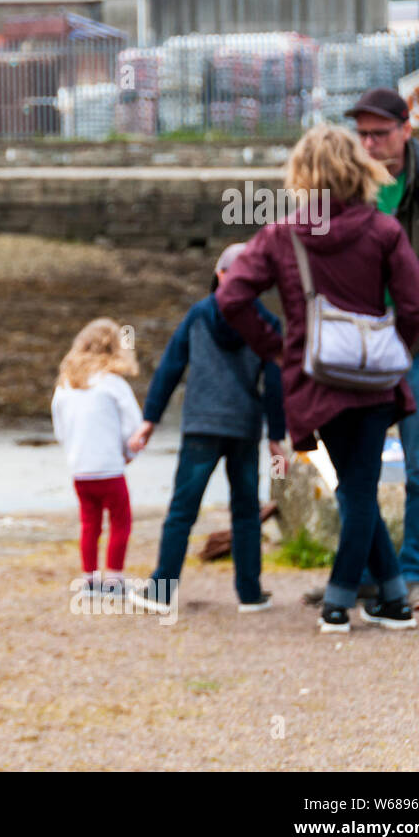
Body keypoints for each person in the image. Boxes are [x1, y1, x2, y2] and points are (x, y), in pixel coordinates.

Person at [217, 124, 419, 634]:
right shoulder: (384, 231)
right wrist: (391, 346)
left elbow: (231, 299)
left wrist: (278, 348)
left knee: (354, 488)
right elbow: (418, 307)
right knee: (359, 488)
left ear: (303, 176)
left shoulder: (282, 234)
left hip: (317, 383)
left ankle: (338, 600)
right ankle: (395, 598)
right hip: (376, 382)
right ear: (359, 169)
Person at [298, 89, 419, 612]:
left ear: (407, 130)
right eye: (363, 134)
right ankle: (365, 574)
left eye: (380, 133)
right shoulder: (350, 186)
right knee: (349, 465)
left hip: (415, 347)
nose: (370, 143)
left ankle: (418, 571)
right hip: (352, 348)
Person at [126, 244, 286, 615]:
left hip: (201, 426)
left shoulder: (199, 315)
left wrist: (150, 420)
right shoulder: (266, 323)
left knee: (183, 509)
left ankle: (162, 591)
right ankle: (249, 594)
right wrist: (276, 437)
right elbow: (276, 385)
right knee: (246, 511)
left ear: (219, 274)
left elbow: (170, 368)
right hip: (244, 427)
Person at [51, 318, 143, 596]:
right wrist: (127, 454)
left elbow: (60, 429)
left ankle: (89, 580)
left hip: (80, 468)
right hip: (109, 467)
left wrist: (73, 454)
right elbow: (134, 426)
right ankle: (114, 579)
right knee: (120, 521)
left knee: (89, 523)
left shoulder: (66, 385)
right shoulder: (113, 383)